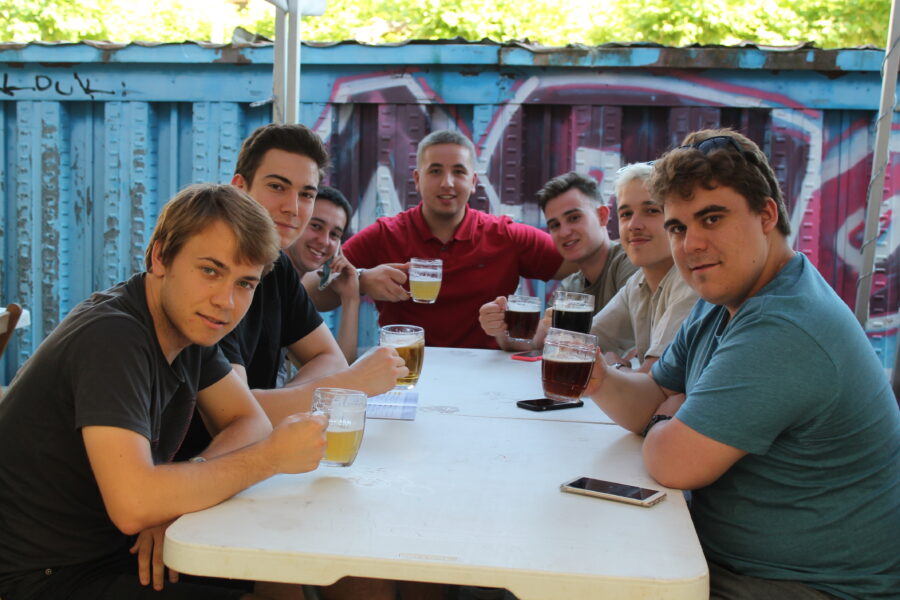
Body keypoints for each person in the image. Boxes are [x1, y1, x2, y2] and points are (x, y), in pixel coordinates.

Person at [588, 129, 900, 599]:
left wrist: (668, 421)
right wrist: (599, 381)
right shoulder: (723, 299)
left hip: (809, 585)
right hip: (726, 559)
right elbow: (653, 394)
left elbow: (675, 462)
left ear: (766, 215)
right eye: (678, 227)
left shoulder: (785, 325)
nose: (691, 244)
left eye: (712, 218)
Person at [0, 184, 328, 600]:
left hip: (111, 550)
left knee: (279, 572)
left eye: (245, 283)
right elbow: (135, 504)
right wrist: (271, 458)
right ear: (160, 257)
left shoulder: (190, 327)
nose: (226, 301)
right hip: (41, 576)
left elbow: (249, 421)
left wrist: (175, 495)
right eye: (210, 271)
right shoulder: (113, 336)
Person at [178, 124, 406, 462]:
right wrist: (352, 384)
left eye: (306, 194)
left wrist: (280, 402)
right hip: (193, 471)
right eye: (277, 187)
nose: (293, 208)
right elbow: (233, 418)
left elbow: (329, 358)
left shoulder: (278, 266)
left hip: (251, 460)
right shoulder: (210, 276)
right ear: (239, 187)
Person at [304, 129, 573, 349]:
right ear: (417, 179)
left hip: (487, 377)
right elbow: (310, 291)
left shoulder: (505, 235)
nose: (447, 183)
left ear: (473, 181)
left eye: (458, 172)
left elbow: (579, 261)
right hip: (404, 373)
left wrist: (552, 323)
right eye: (435, 171)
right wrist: (362, 280)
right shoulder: (385, 235)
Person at [478, 171, 639, 351]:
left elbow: (641, 343)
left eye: (574, 218)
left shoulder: (630, 263)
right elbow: (532, 341)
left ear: (602, 216)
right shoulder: (570, 285)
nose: (564, 232)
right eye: (555, 225)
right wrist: (501, 328)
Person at [588, 163, 698, 371]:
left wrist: (614, 367)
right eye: (626, 214)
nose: (634, 225)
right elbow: (584, 343)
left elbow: (654, 378)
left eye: (651, 211)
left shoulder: (691, 281)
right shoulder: (638, 282)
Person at [287, 185, 360, 363]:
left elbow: (339, 370)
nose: (325, 241)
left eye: (334, 235)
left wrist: (351, 298)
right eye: (316, 226)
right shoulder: (269, 285)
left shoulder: (293, 294)